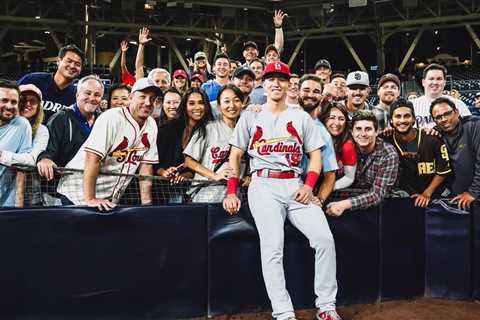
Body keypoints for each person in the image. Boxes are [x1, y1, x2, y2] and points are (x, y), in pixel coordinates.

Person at [223, 61, 342, 320]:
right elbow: (235, 156)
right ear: (263, 84)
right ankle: (284, 312)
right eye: (271, 78)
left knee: (324, 240)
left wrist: (310, 186)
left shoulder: (301, 117)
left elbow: (315, 157)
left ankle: (326, 306)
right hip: (263, 184)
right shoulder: (251, 114)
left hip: (296, 184)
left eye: (282, 78)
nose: (276, 83)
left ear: (290, 84)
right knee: (272, 248)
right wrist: (232, 190)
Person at [326, 111, 399, 216]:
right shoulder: (346, 146)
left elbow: (377, 194)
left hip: (381, 207)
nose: (363, 134)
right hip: (347, 196)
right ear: (352, 132)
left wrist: (344, 205)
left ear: (377, 131)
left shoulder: (388, 154)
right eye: (358, 129)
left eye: (368, 129)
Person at [383, 98, 451, 207]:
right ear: (391, 120)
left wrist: (427, 193)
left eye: (407, 116)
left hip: (434, 194)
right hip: (403, 196)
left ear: (414, 119)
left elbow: (443, 171)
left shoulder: (432, 138)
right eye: (398, 116)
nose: (402, 120)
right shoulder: (386, 139)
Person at [184, 85, 245, 202]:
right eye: (226, 101)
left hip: (235, 196)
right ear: (219, 105)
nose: (232, 105)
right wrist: (214, 176)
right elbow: (189, 161)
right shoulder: (209, 128)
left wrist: (248, 176)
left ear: (242, 104)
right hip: (207, 194)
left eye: (236, 100)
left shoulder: (246, 130)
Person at [36, 75, 103, 181]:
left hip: (95, 184)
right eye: (87, 93)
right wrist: (45, 159)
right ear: (77, 95)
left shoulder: (103, 121)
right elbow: (48, 150)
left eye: (97, 95)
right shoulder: (60, 118)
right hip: (64, 186)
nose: (92, 98)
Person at [155, 87, 214, 203]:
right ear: (185, 106)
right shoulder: (167, 128)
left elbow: (207, 163)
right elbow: (153, 161)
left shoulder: (210, 130)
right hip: (162, 190)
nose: (197, 107)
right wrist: (164, 172)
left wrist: (188, 174)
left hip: (194, 191)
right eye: (191, 103)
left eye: (201, 103)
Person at [0, 84, 49, 206]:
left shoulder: (34, 128)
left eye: (33, 101)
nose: (27, 104)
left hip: (27, 195)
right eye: (24, 100)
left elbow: (29, 161)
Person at [430, 97, 480, 210]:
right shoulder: (435, 134)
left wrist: (473, 193)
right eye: (438, 117)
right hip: (455, 198)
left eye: (447, 114)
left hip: (474, 196)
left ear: (457, 112)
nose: (443, 119)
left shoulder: (475, 125)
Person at [298, 74, 339, 205]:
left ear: (321, 97)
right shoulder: (282, 118)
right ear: (298, 92)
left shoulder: (323, 133)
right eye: (306, 90)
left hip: (304, 191)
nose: (310, 95)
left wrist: (320, 198)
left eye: (316, 92)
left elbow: (330, 174)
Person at [17, 44, 83, 122]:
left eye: (77, 64)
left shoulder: (78, 95)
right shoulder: (33, 80)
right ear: (58, 61)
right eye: (69, 61)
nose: (72, 66)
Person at [0, 81, 32, 207]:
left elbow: (23, 165)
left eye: (13, 102)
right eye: (4, 100)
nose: (9, 106)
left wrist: (19, 203)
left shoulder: (22, 124)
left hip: (6, 204)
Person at [412, 63, 470, 128]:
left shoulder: (458, 104)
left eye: (439, 79)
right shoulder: (412, 105)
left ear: (444, 82)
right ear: (423, 82)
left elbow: (469, 130)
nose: (435, 82)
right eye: (431, 79)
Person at [319, 103, 357, 190]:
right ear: (324, 120)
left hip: (336, 193)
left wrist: (324, 191)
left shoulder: (348, 146)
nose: (336, 123)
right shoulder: (315, 139)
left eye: (341, 119)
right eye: (332, 118)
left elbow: (349, 178)